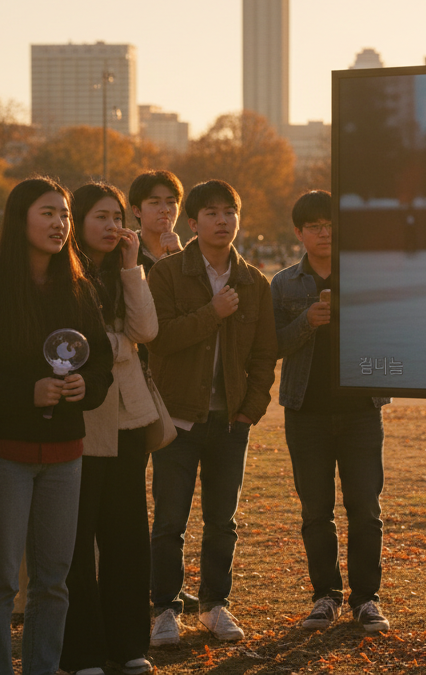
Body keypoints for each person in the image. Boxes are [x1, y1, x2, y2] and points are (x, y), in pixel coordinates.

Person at [0, 177, 113, 675]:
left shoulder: (80, 288)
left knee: (53, 580)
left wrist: (85, 387)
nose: (59, 224)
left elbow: (101, 365)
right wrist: (27, 393)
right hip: (2, 453)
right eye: (48, 212)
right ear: (20, 218)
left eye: (64, 214)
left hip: (65, 453)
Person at [146, 179, 277, 646]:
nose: (223, 221)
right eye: (212, 213)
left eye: (230, 213)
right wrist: (213, 312)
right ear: (193, 222)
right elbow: (158, 338)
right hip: (178, 419)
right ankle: (165, 608)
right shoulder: (166, 274)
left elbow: (265, 356)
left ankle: (214, 605)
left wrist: (249, 412)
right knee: (169, 521)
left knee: (223, 521)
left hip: (229, 422)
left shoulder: (253, 282)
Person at [271, 190, 392, 632]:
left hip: (362, 410)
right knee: (315, 511)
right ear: (300, 232)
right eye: (315, 226)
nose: (325, 233)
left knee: (365, 508)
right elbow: (272, 345)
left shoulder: (364, 275)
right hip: (306, 412)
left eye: (331, 224)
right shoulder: (284, 283)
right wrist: (307, 322)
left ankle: (366, 599)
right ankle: (325, 597)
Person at [61, 183, 159, 675]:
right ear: (77, 221)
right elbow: (75, 345)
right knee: (76, 539)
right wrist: (116, 346)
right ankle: (81, 652)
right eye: (99, 216)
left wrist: (131, 265)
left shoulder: (123, 271)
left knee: (126, 536)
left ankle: (127, 643)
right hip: (79, 418)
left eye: (117, 216)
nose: (111, 225)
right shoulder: (62, 271)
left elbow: (146, 331)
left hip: (126, 418)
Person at [128, 170, 185, 274]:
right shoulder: (127, 252)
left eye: (171, 202)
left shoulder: (190, 256)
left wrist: (179, 255)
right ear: (137, 210)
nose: (165, 209)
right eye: (155, 203)